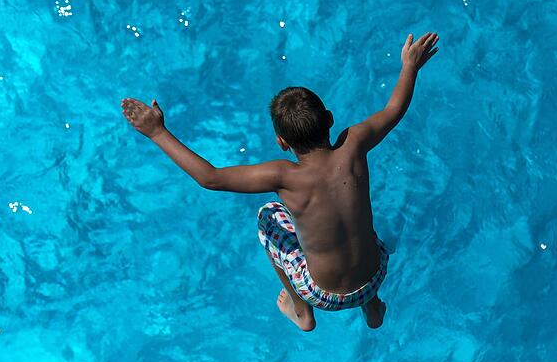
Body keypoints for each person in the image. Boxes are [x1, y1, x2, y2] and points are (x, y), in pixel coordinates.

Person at [121, 32, 439, 331]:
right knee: (357, 226)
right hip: (375, 276)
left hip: (322, 294)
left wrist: (157, 132)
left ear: (281, 142)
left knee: (268, 216)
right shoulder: (354, 144)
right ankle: (371, 308)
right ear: (329, 119)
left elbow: (211, 178)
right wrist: (410, 66)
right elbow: (394, 109)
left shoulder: (284, 176)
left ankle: (302, 313)